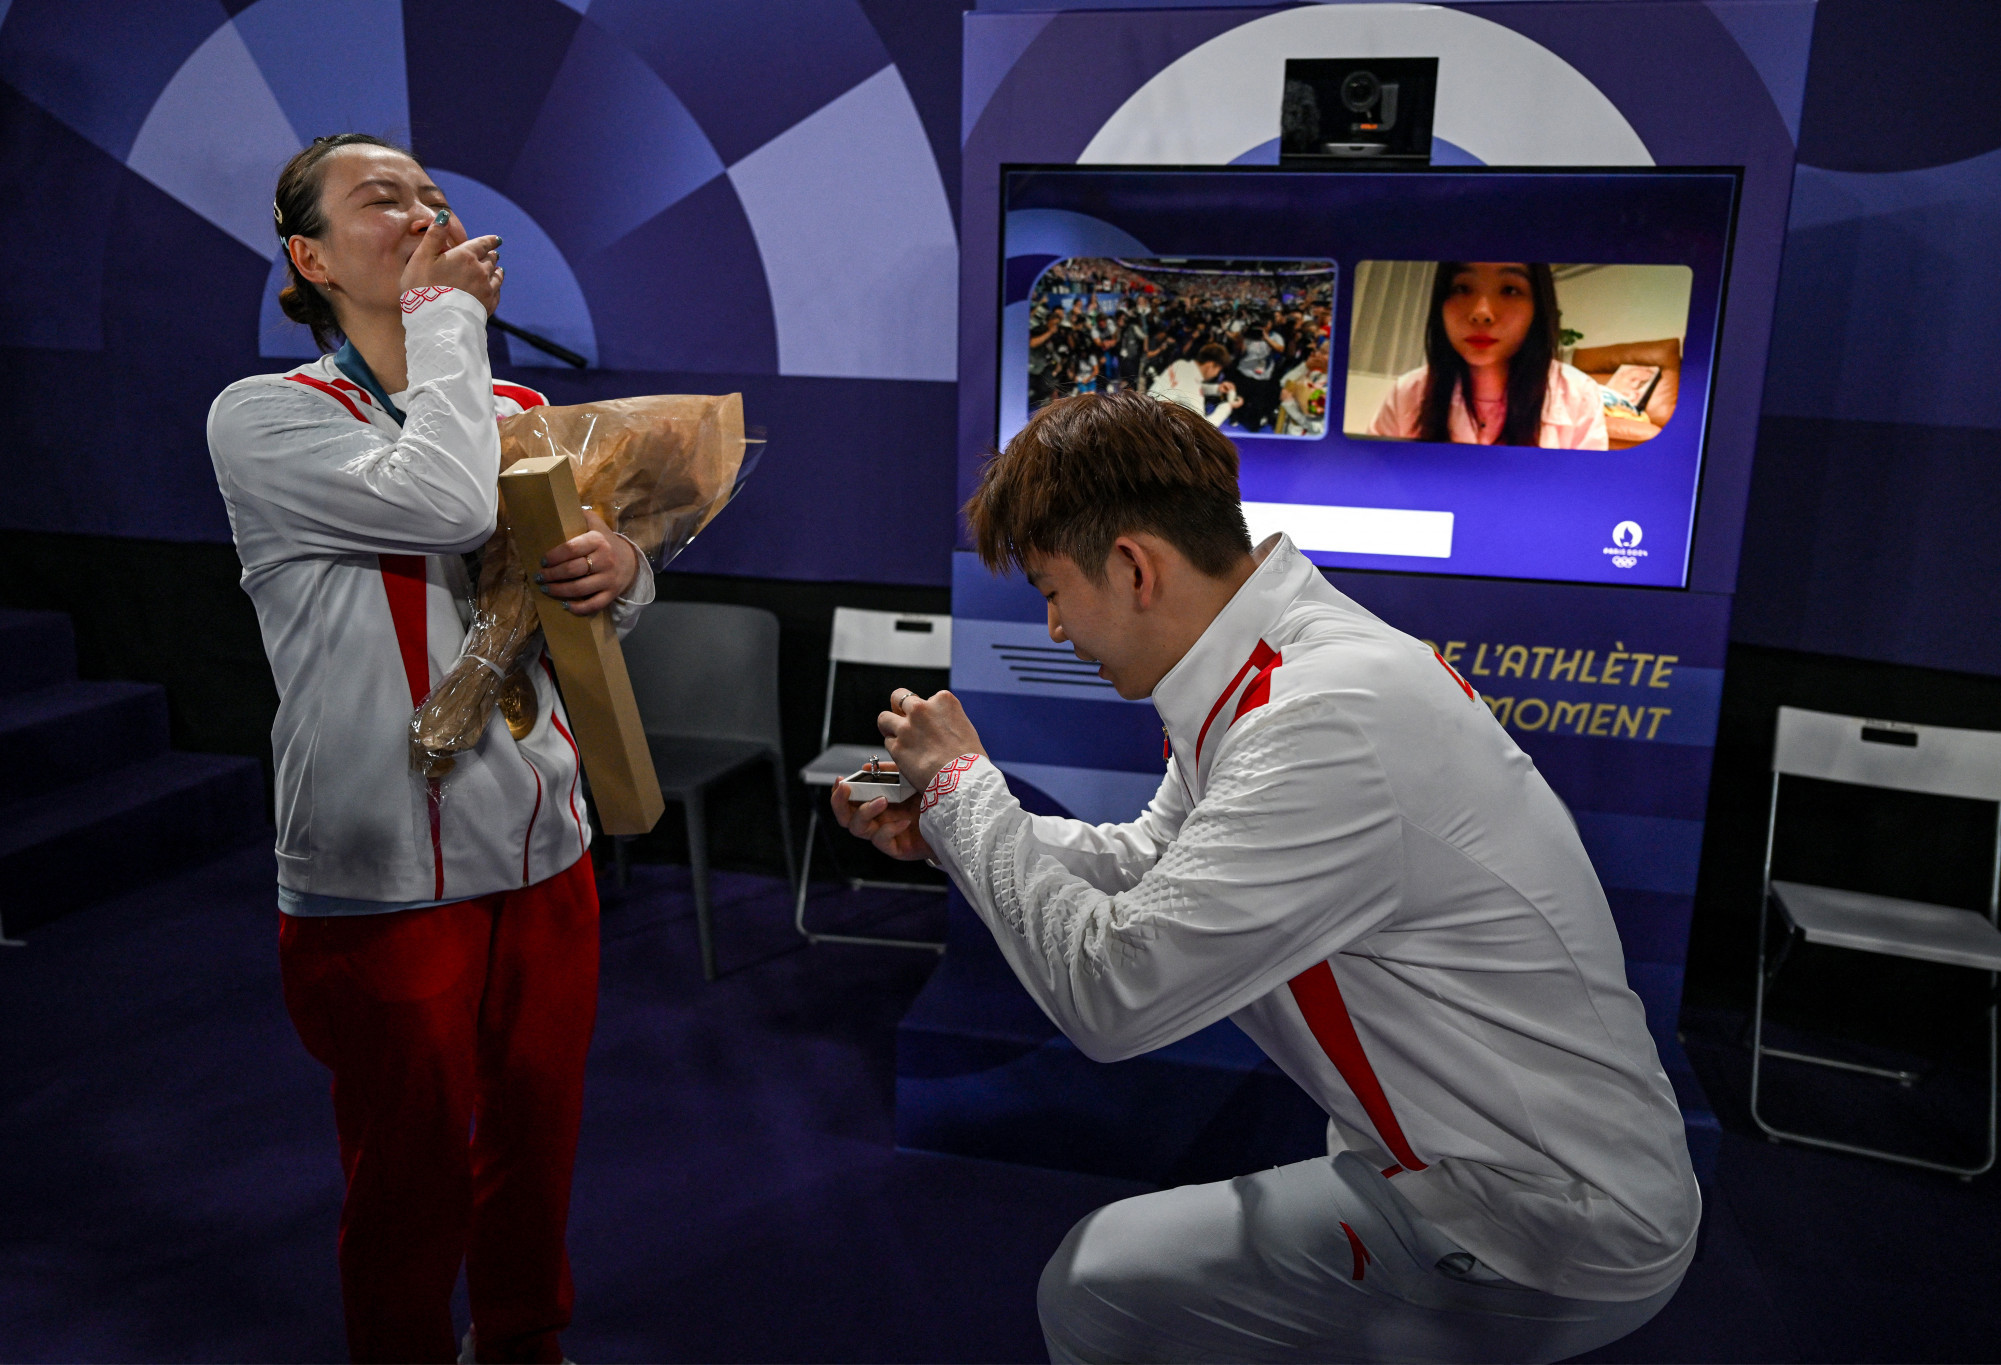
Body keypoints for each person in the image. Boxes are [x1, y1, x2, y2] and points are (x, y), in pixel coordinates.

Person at [834, 391, 1697, 1363]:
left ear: (1131, 567)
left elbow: (1115, 993)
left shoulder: (1321, 719)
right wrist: (959, 828)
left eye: (1049, 588)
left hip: (1541, 1223)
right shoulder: (1271, 668)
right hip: (1459, 1169)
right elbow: (1150, 869)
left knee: (1098, 1290)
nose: (1051, 629)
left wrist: (959, 789)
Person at [207, 134, 653, 1364]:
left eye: (432, 198)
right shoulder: (265, 419)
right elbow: (445, 501)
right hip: (383, 867)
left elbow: (581, 605)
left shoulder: (516, 413)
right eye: (379, 199)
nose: (418, 211)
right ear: (307, 258)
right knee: (405, 1169)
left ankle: (523, 1341)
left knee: (538, 1136)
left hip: (544, 847)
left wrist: (625, 571)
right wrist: (448, 317)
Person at [1369, 262, 1607, 449]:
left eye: (1509, 290)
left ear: (1538, 306)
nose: (1481, 313)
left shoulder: (1579, 396)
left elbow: (1587, 499)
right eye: (1462, 288)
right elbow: (1375, 484)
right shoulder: (1408, 392)